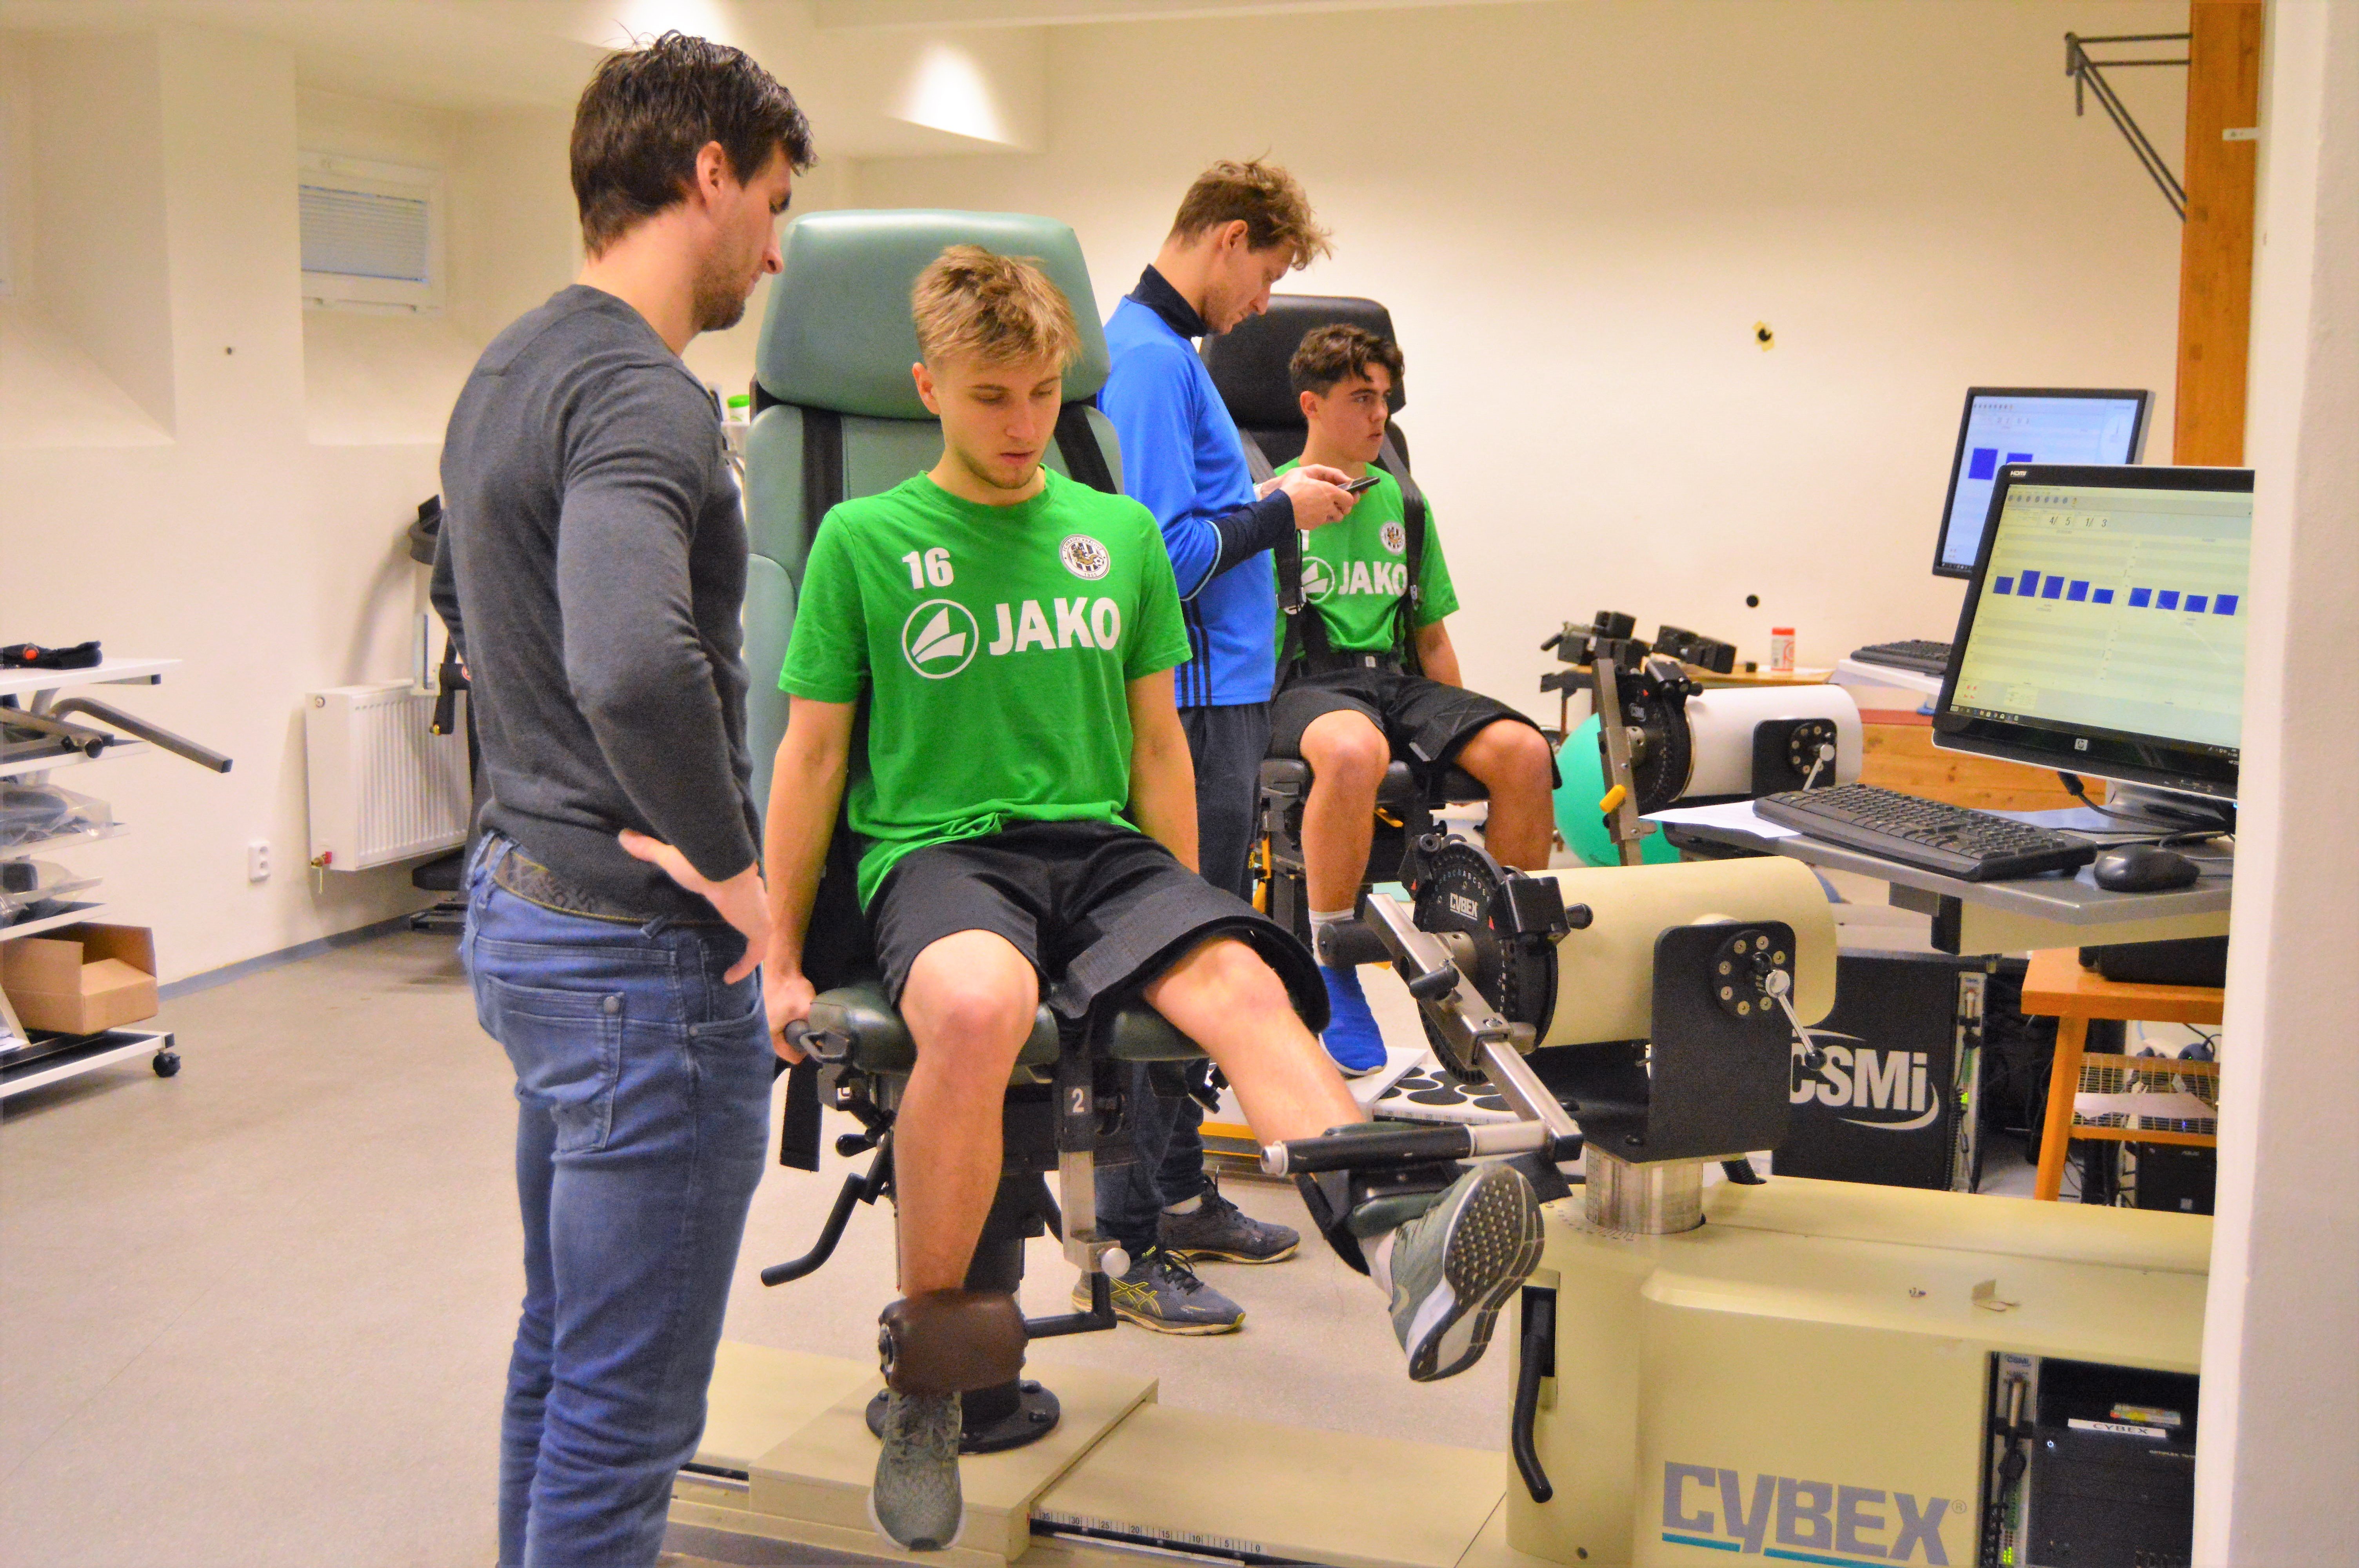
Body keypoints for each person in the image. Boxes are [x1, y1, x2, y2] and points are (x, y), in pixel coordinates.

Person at [761, 247, 1545, 1553]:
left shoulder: (1117, 536)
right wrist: (782, 959)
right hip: (941, 853)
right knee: (976, 1008)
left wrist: (1184, 902)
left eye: (1040, 394)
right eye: (989, 397)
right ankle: (930, 1387)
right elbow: (811, 757)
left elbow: (1158, 747)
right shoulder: (865, 540)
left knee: (1241, 978)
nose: (1022, 425)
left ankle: (1399, 1241)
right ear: (929, 390)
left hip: (1103, 848)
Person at [430, 34, 812, 1568]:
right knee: (627, 1412)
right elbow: (635, 664)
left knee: (569, 1350)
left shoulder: (510, 367)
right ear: (708, 173)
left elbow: (476, 607)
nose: (773, 252)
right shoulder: (644, 395)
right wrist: (739, 876)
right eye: (772, 205)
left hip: (526, 907)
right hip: (637, 967)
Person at [1090, 160, 1359, 1329]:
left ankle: (1179, 1187)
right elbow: (1158, 557)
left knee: (1202, 951)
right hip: (1192, 708)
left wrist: (1272, 493)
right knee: (1179, 966)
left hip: (1227, 698)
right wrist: (1280, 509)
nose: (1263, 304)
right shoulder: (1150, 361)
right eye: (1268, 274)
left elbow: (1196, 516)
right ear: (1228, 237)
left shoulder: (1173, 355)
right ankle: (1129, 1235)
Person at [1269, 325, 1558, 1070]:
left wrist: (1459, 742)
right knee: (1353, 749)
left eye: (1386, 399)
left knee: (1524, 752)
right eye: (1361, 398)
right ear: (1311, 405)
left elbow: (1430, 639)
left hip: (1394, 681)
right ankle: (1333, 963)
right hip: (1303, 685)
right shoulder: (1270, 506)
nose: (1380, 415)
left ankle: (1509, 955)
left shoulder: (1406, 504)